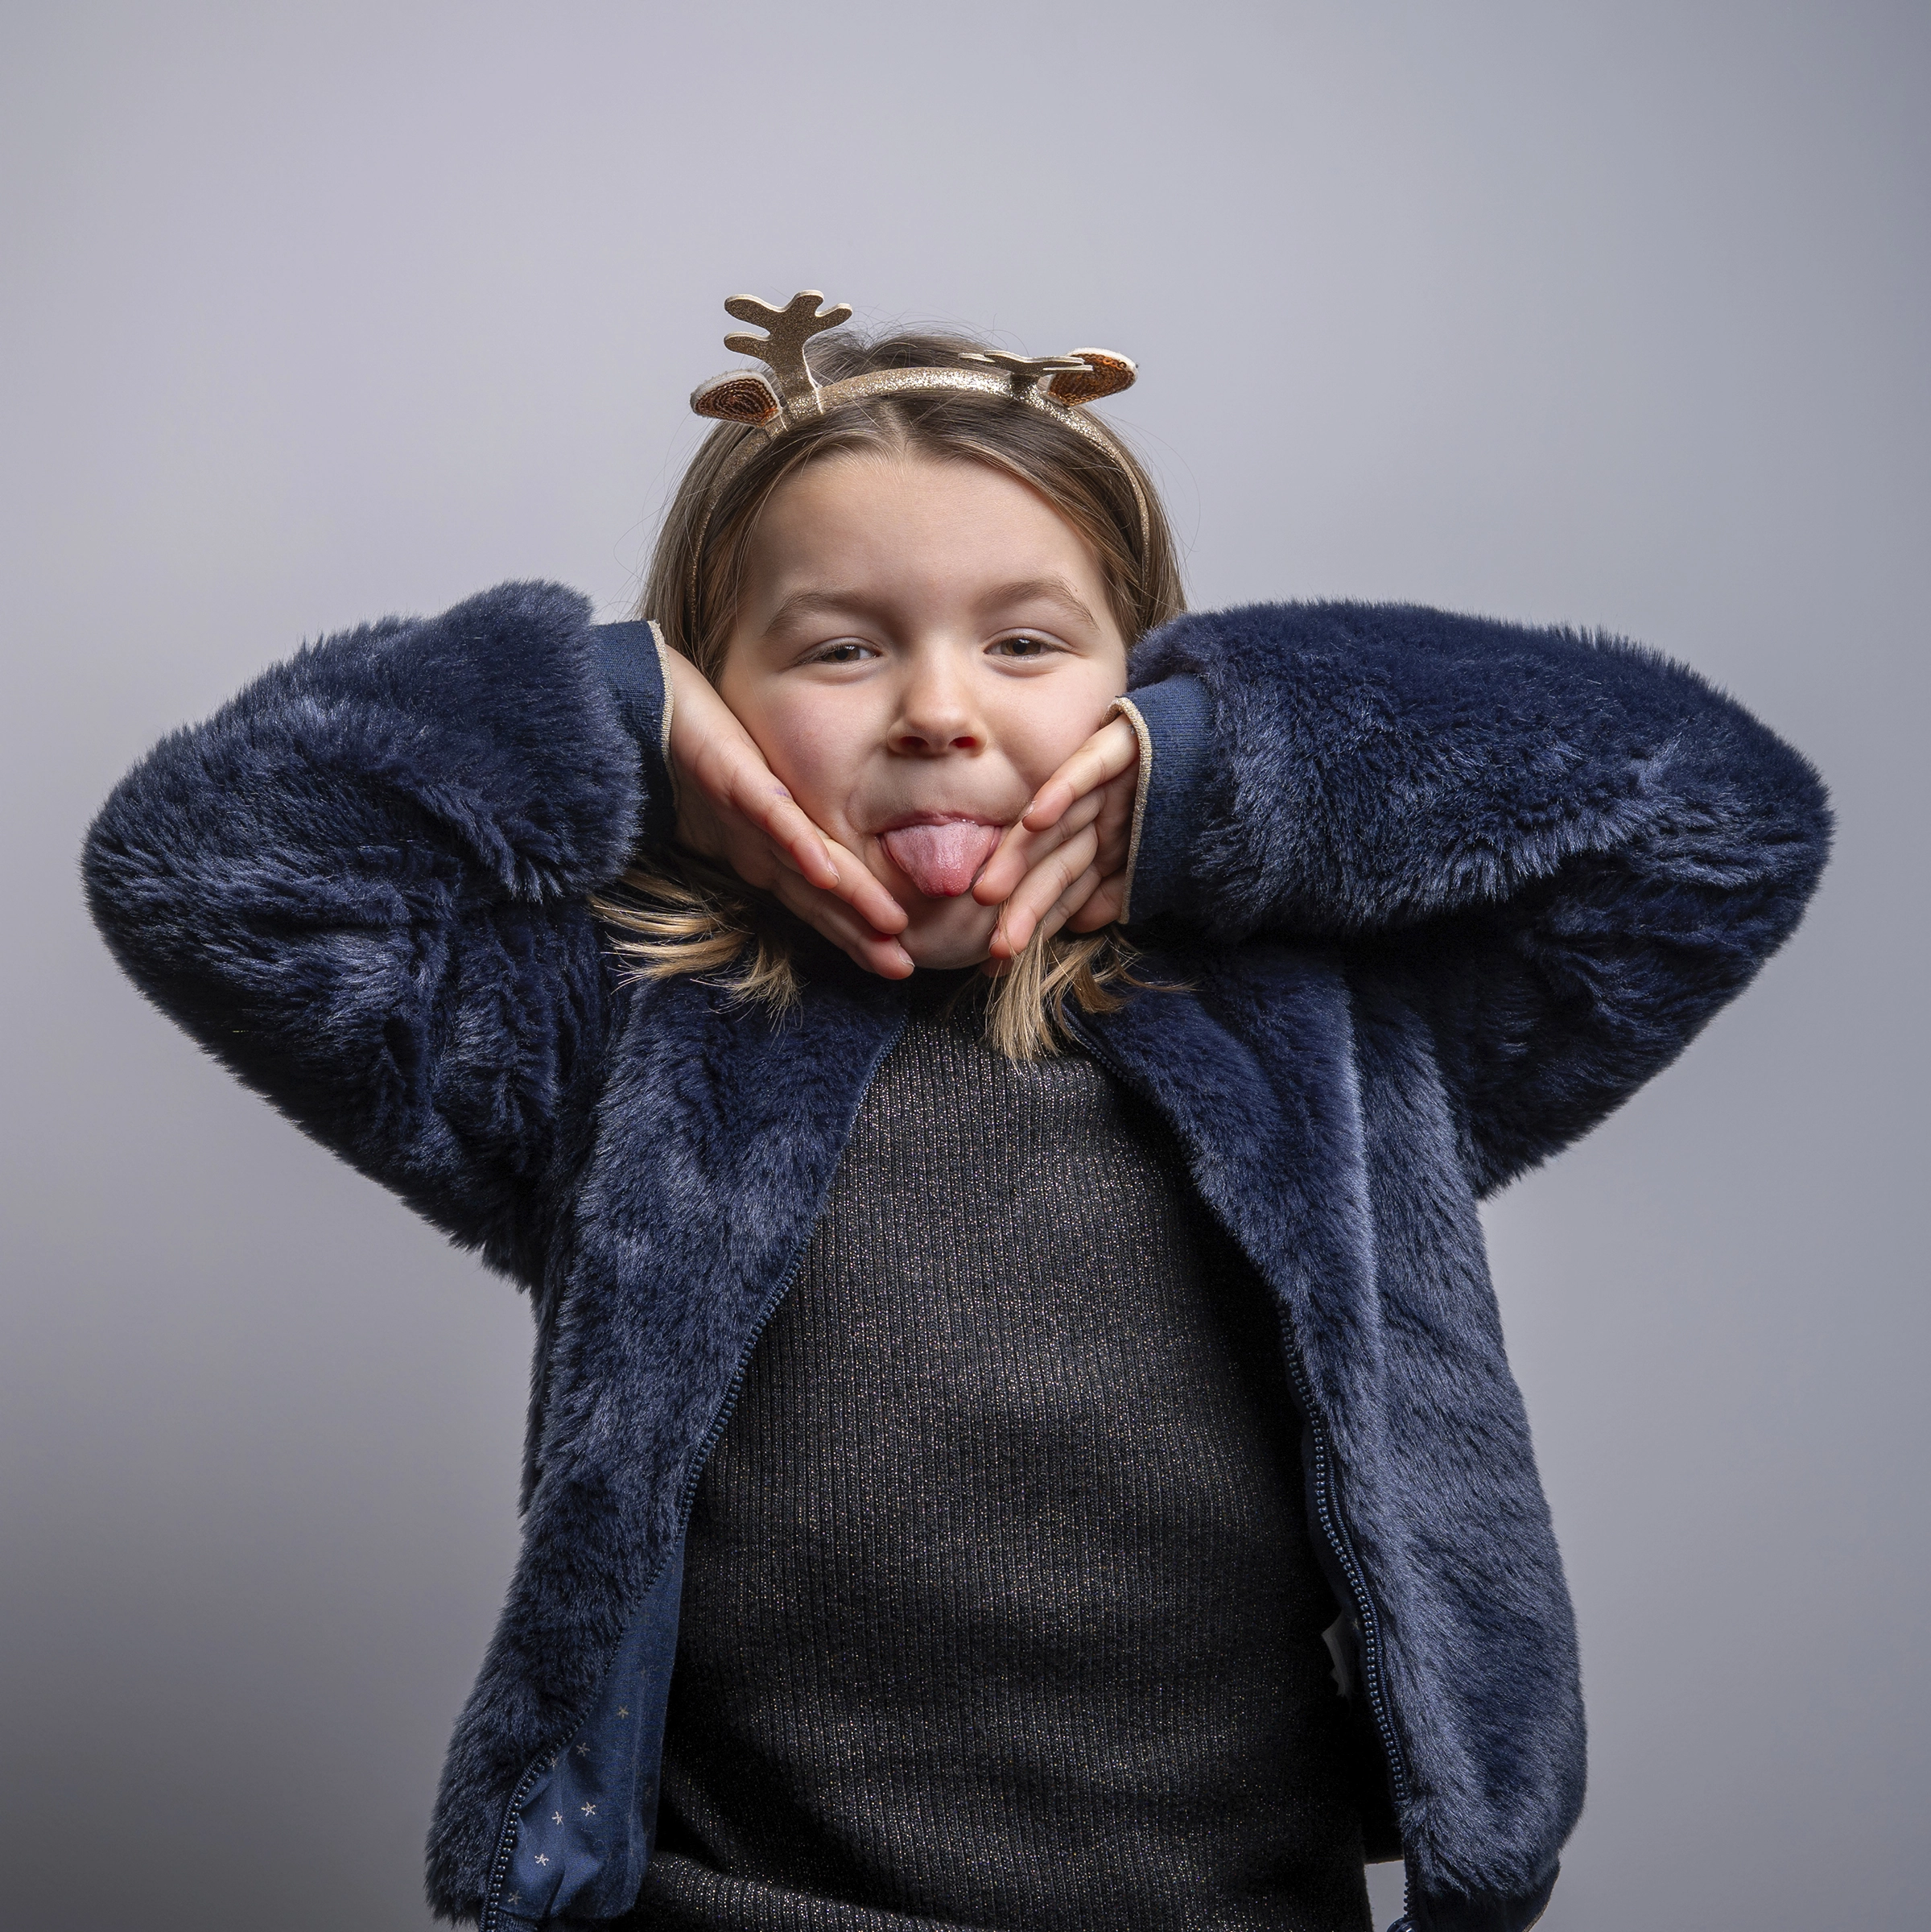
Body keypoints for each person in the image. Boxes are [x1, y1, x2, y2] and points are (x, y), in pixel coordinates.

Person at [81, 293, 1831, 1932]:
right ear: (718, 701)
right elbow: (202, 873)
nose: (936, 711)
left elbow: (1718, 820)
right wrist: (604, 711)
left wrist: (1245, 770)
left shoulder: (1326, 1042)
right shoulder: (610, 1042)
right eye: (840, 648)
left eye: (1023, 641)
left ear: (1138, 683)